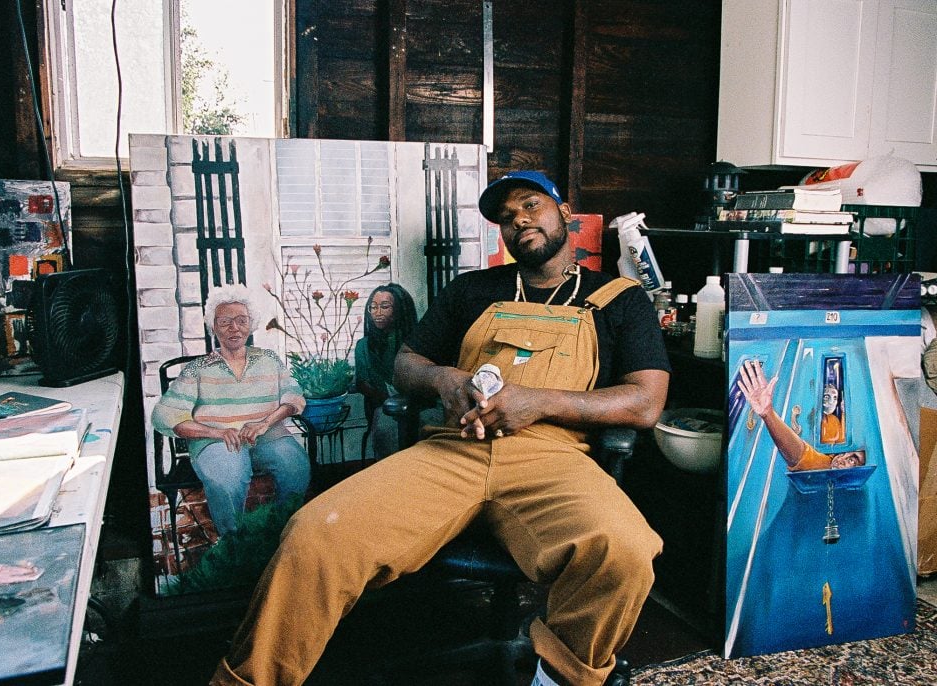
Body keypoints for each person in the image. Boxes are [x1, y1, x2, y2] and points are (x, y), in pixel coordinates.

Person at [210, 171, 670, 686]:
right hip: (455, 451)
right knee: (315, 535)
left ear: (564, 213)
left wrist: (538, 402)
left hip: (552, 459)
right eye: (505, 217)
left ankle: (560, 677)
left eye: (530, 206)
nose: (518, 220)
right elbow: (406, 363)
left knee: (625, 550)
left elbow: (646, 402)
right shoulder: (472, 289)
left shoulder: (619, 298)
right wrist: (444, 380)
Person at [152, 284, 311, 534]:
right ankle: (233, 546)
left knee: (296, 466)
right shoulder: (198, 368)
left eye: (241, 320)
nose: (234, 328)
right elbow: (163, 415)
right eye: (225, 321)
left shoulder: (269, 359)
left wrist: (264, 423)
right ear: (213, 327)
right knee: (228, 478)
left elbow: (294, 396)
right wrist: (217, 432)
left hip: (266, 435)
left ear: (251, 324)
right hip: (217, 441)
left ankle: (280, 534)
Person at [736, 359, 865, 471]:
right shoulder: (826, 461)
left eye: (853, 460)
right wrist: (768, 414)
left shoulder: (836, 423)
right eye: (844, 453)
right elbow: (801, 455)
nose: (842, 458)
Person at [354, 283, 418, 458]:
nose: (377, 313)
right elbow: (362, 384)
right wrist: (389, 401)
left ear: (399, 310)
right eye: (373, 307)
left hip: (417, 403)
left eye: (384, 306)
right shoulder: (364, 346)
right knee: (386, 430)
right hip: (384, 405)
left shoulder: (414, 341)